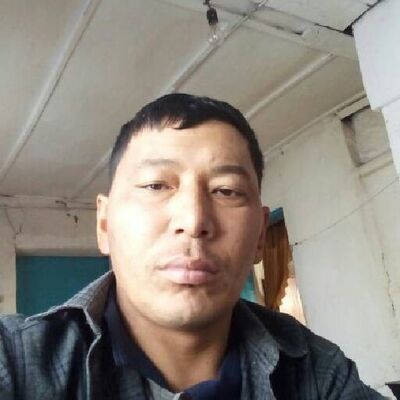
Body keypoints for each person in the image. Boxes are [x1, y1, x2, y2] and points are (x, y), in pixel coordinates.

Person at [0, 94, 384, 399]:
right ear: (104, 224)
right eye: (155, 185)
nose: (194, 219)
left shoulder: (315, 368)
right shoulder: (16, 361)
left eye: (226, 191)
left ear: (259, 236)